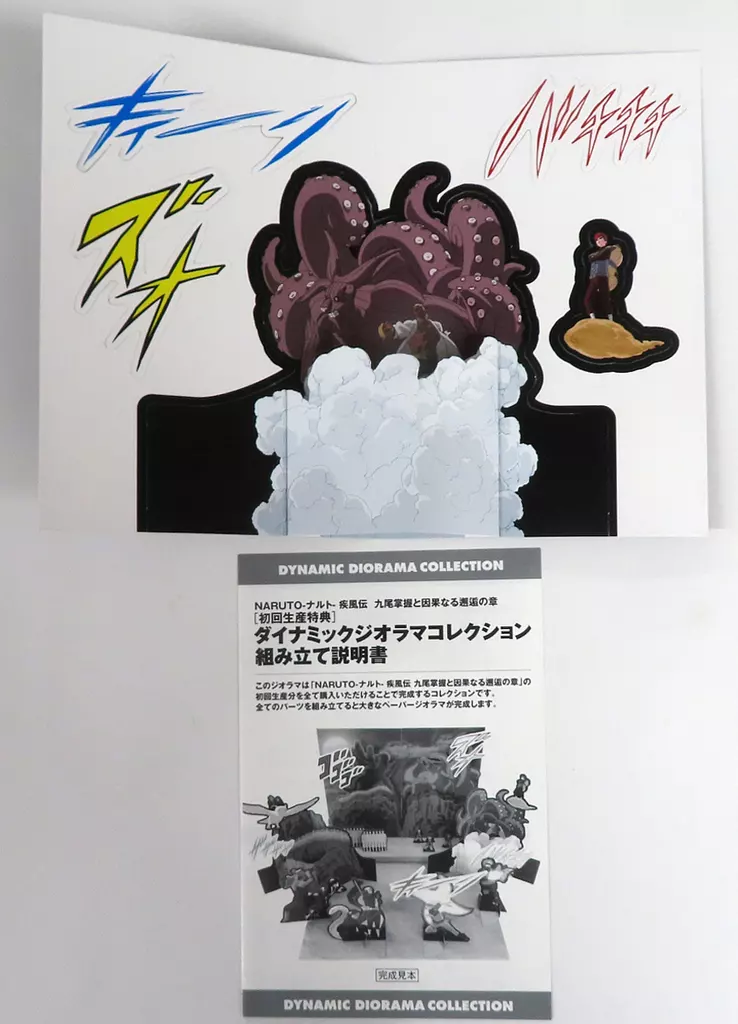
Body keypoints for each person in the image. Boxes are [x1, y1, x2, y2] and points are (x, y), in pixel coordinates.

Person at [379, 304, 460, 376]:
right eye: (386, 329)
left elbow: (437, 328)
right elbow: (401, 330)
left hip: (435, 358)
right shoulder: (411, 330)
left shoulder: (431, 330)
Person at [583, 232, 622, 320]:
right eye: (598, 241)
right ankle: (592, 317)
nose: (600, 242)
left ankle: (610, 318)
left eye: (601, 240)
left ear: (605, 241)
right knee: (587, 299)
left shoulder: (607, 251)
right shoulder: (602, 252)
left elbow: (611, 261)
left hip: (602, 277)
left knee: (605, 299)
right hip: (593, 278)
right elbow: (591, 257)